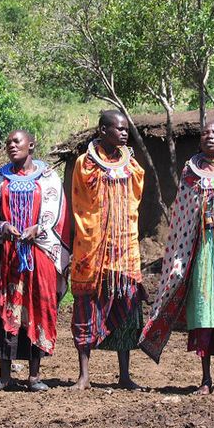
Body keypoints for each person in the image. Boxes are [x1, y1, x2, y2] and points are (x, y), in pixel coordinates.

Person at [140, 119, 214, 395]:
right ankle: (204, 379)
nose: (208, 136)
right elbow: (182, 211)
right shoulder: (191, 172)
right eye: (204, 133)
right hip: (198, 247)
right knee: (202, 311)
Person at [0, 130, 70, 392]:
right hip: (7, 253)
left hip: (38, 254)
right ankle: (4, 376)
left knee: (37, 308)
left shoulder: (49, 179)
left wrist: (38, 228)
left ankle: (34, 376)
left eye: (17, 141)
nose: (11, 146)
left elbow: (56, 213)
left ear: (31, 145)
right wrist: (4, 226)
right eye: (8, 142)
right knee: (4, 309)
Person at [70, 110, 145, 390]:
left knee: (125, 311)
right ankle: (84, 375)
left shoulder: (131, 165)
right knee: (87, 311)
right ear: (103, 130)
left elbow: (136, 195)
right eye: (119, 129)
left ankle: (124, 375)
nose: (125, 134)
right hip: (93, 249)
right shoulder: (85, 164)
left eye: (126, 130)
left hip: (124, 250)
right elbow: (82, 202)